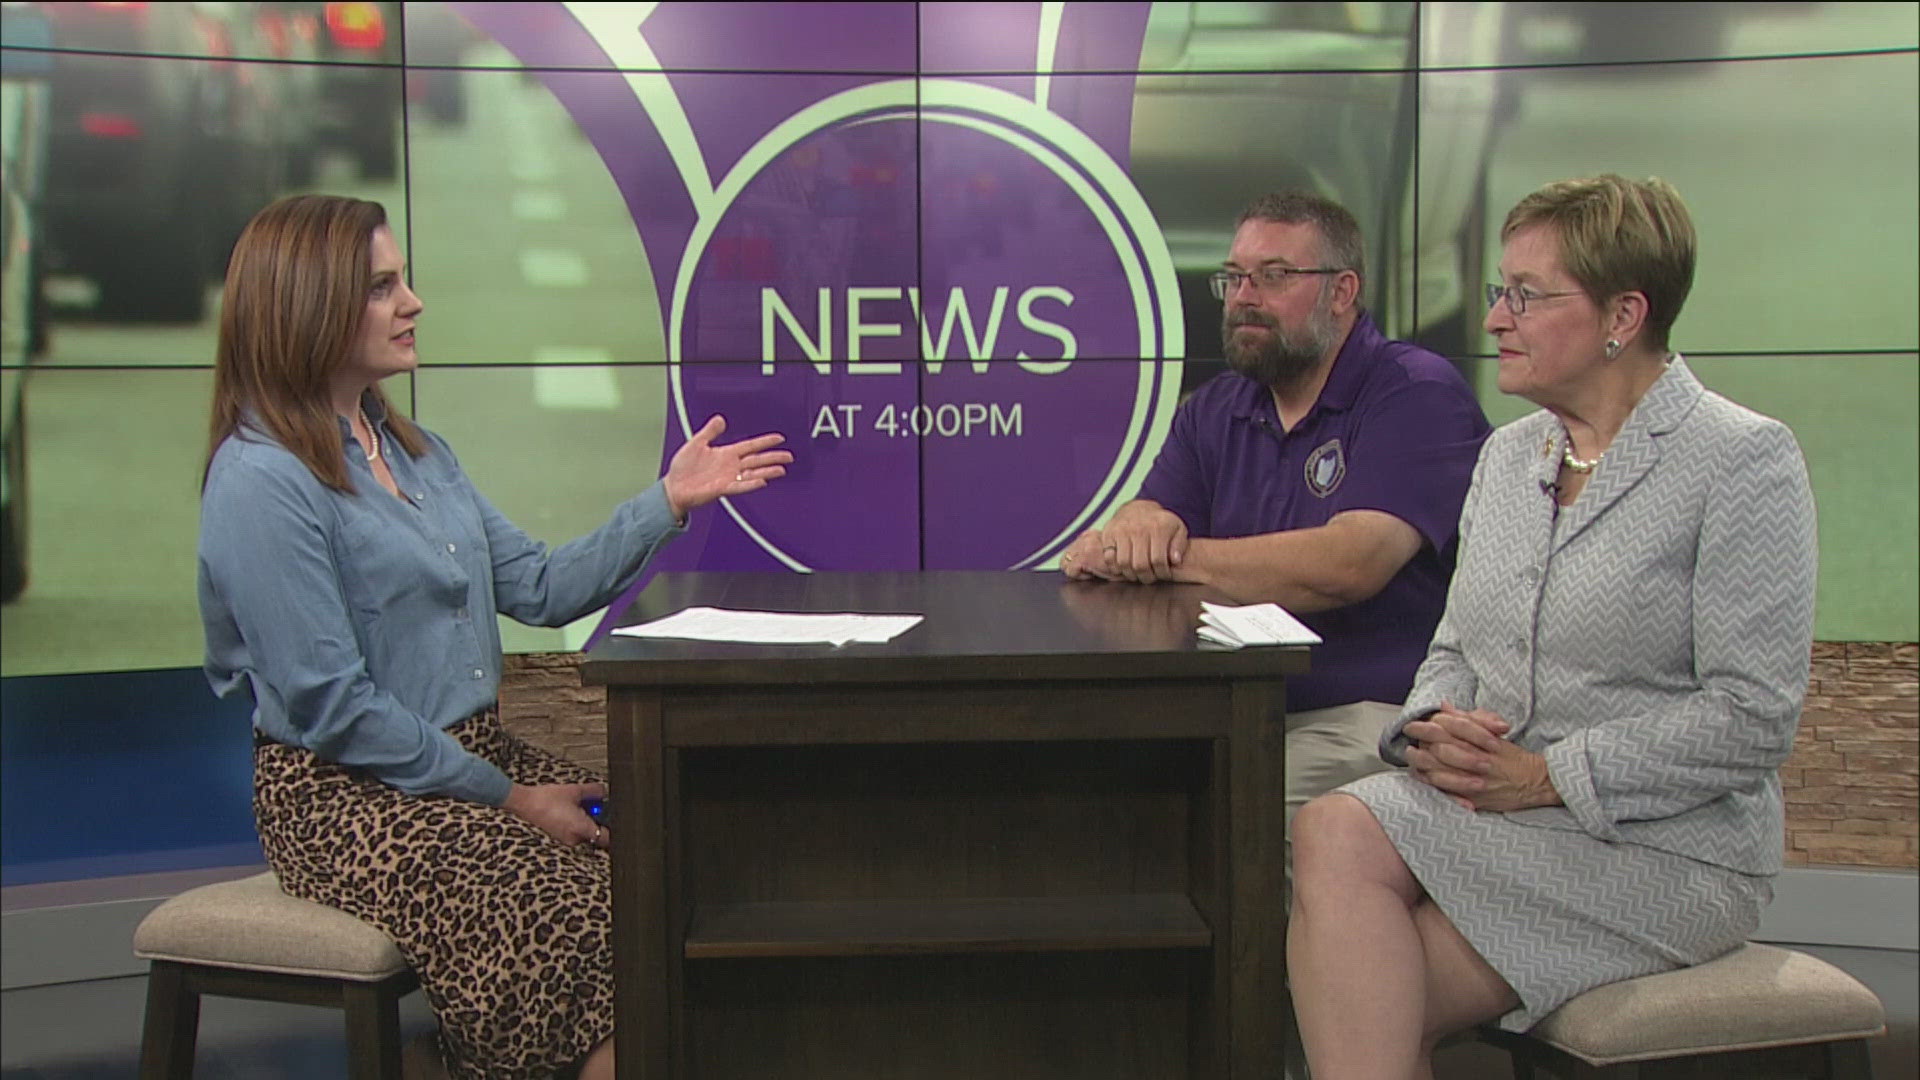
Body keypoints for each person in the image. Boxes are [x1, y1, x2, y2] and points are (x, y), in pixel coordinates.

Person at [197, 194, 792, 1080]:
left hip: (471, 761)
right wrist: (507, 796)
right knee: (578, 918)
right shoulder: (260, 481)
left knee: (668, 857)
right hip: (345, 796)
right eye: (382, 287)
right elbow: (334, 708)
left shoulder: (419, 453)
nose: (414, 303)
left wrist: (667, 503)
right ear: (308, 307)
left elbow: (544, 589)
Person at [1287, 175, 1818, 1080]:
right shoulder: (1507, 456)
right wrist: (1432, 731)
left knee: (1345, 990)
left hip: (1661, 850)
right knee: (1334, 833)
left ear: (1624, 314)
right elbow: (1453, 647)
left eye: (1526, 295)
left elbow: (1752, 716)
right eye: (1501, 291)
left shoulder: (1741, 461)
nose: (1496, 317)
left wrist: (1547, 777)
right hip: (1493, 821)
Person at [1060, 190, 1491, 848]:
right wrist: (1132, 528)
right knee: (1097, 795)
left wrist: (1173, 556)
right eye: (1233, 277)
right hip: (1237, 708)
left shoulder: (1415, 394)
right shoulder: (1217, 409)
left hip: (1372, 713)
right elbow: (1151, 513)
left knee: (1217, 821)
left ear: (1343, 292)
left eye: (1275, 276)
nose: (1244, 296)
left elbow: (1349, 565)